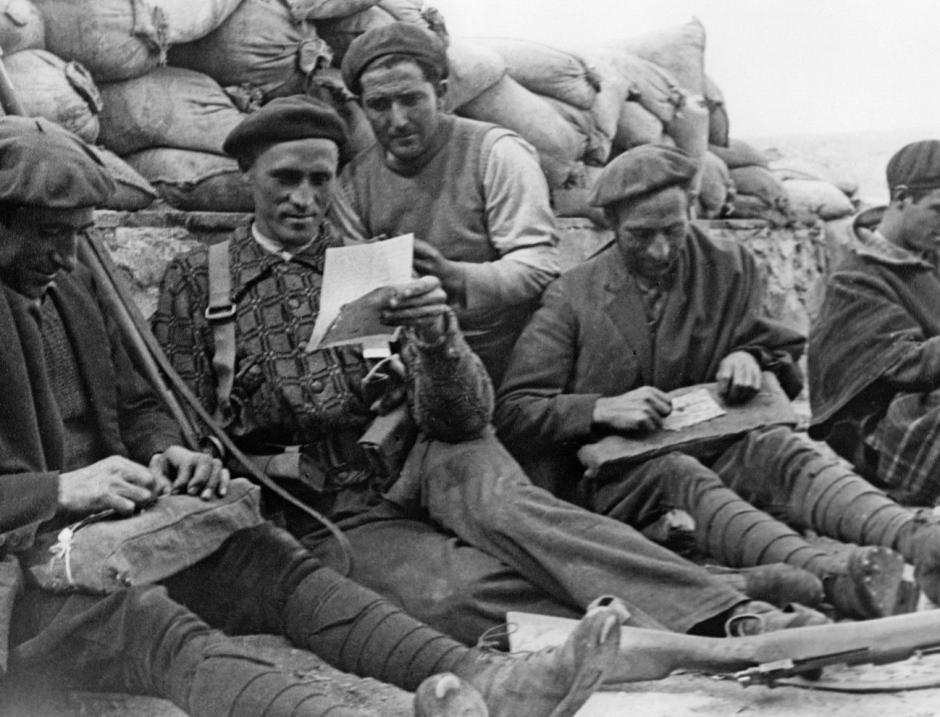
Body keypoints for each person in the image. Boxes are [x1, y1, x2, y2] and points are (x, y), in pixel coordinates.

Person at [152, 95, 827, 660]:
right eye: (285, 179)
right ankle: (688, 608)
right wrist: (194, 460)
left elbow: (465, 418)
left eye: (321, 180)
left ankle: (735, 619)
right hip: (318, 500)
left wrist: (439, 341)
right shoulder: (200, 281)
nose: (304, 199)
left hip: (425, 455)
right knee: (452, 594)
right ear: (248, 174)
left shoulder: (369, 266)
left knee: (518, 513)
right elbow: (171, 412)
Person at [0, 114, 631, 717]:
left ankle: (491, 681)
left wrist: (167, 450)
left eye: (78, 233)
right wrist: (58, 489)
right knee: (155, 629)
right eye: (51, 234)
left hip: (124, 529)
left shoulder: (73, 289)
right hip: (29, 561)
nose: (69, 256)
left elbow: (136, 403)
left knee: (269, 562)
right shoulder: (196, 279)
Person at [495, 143, 940, 619]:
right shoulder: (572, 297)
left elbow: (778, 351)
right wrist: (599, 409)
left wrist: (750, 358)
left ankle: (918, 539)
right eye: (640, 236)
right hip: (618, 477)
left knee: (777, 450)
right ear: (611, 224)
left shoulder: (726, 266)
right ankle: (837, 578)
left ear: (691, 210)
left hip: (717, 443)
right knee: (680, 476)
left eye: (673, 230)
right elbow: (515, 411)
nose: (660, 250)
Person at [337, 22, 560, 385]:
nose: (398, 120)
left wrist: (455, 276)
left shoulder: (496, 153)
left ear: (440, 94)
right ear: (361, 107)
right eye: (378, 105)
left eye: (411, 99)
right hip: (413, 361)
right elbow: (361, 315)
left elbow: (539, 265)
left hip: (507, 352)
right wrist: (381, 370)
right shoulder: (351, 184)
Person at [810, 140, 940, 515]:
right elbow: (904, 366)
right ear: (901, 198)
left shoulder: (930, 255)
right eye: (938, 210)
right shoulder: (855, 278)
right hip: (880, 430)